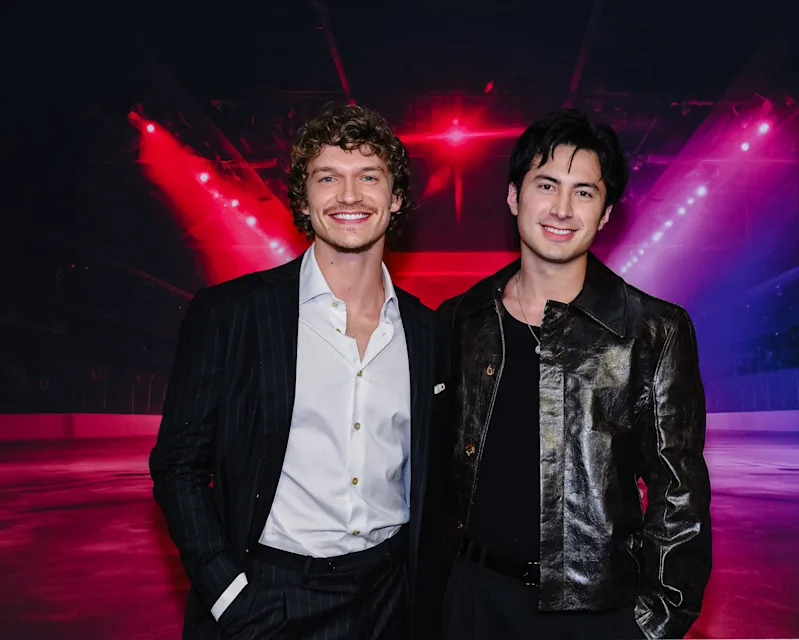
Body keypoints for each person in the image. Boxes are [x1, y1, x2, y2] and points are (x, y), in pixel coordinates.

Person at [150, 104, 446, 639]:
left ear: (396, 198)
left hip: (390, 600)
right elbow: (177, 465)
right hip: (270, 598)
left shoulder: (429, 334)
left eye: (369, 177)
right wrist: (227, 593)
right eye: (328, 177)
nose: (349, 196)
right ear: (304, 201)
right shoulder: (232, 313)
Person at [437, 109, 712, 639]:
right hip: (473, 603)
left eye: (584, 192)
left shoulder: (653, 330)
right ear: (514, 196)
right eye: (547, 185)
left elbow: (681, 496)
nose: (562, 209)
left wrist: (651, 626)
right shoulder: (461, 320)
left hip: (594, 614)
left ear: (606, 212)